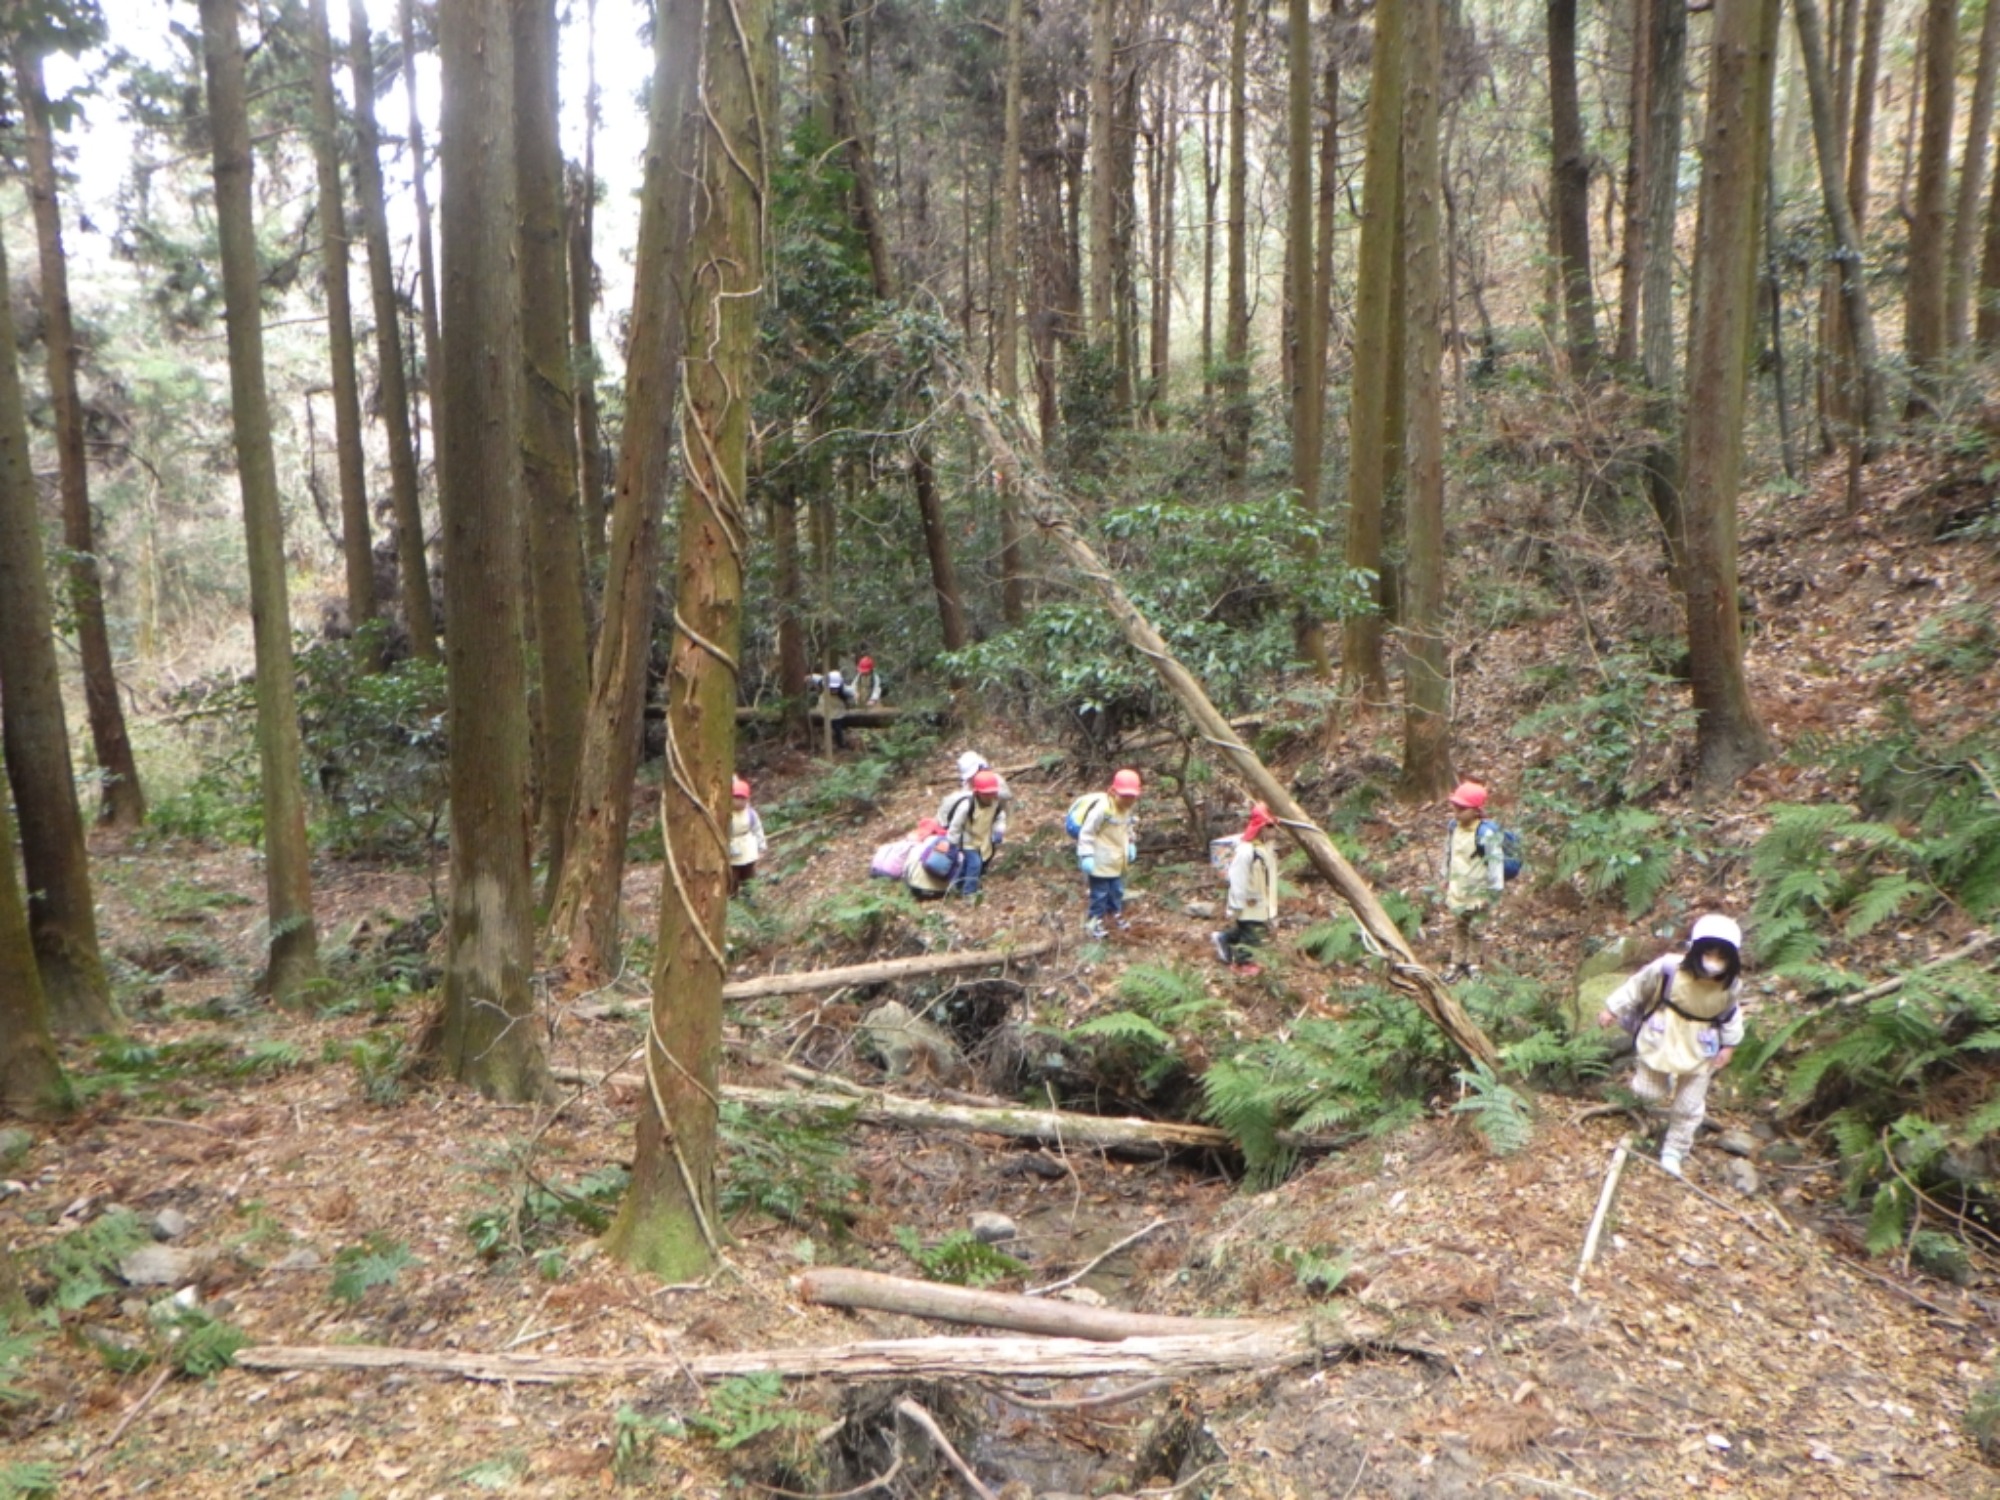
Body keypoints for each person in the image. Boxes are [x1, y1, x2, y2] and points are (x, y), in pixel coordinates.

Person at [1596, 914, 1748, 1177]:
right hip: (1662, 1036)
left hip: (1701, 1046)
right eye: (1709, 953)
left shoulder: (1731, 986)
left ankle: (1674, 1150)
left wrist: (1729, 1047)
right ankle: (1663, 1083)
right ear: (1697, 949)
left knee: (1688, 1105)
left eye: (1721, 957)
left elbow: (1731, 1016)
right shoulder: (1668, 969)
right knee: (1647, 1091)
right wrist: (1613, 1009)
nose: (1714, 961)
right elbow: (1637, 986)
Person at [1440, 780, 1506, 980]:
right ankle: (1456, 960)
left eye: (1462, 809)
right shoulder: (1454, 827)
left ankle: (1473, 963)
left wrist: (1494, 890)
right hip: (1458, 887)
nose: (1457, 812)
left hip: (1479, 890)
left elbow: (1495, 862)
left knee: (1476, 928)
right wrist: (1445, 877)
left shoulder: (1485, 832)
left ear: (1476, 811)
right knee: (1460, 925)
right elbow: (1448, 852)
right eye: (1456, 807)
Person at [1212, 803, 1278, 975]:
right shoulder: (1246, 851)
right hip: (1247, 901)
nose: (1275, 831)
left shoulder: (1264, 849)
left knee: (1247, 929)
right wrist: (1235, 904)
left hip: (1260, 900)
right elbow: (1238, 877)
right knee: (1251, 932)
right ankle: (1243, 962)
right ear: (1262, 828)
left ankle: (1224, 938)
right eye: (1271, 827)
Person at [1077, 768, 1142, 939]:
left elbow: (1127, 828)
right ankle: (1094, 922)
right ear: (1113, 792)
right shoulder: (1102, 810)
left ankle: (1114, 916)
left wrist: (1131, 844)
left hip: (1117, 861)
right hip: (1099, 860)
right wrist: (1086, 855)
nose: (1128, 800)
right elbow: (1087, 832)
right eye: (1125, 796)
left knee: (1117, 891)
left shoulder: (1127, 809)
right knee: (1099, 894)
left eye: (1132, 797)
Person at [942, 769, 1007, 896]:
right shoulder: (967, 806)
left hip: (983, 840)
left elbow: (1000, 819)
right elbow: (955, 826)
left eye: (992, 793)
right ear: (977, 792)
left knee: (967, 864)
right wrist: (952, 844)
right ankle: (969, 892)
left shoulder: (996, 804)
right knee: (975, 864)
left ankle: (955, 886)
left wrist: (999, 831)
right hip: (968, 841)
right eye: (986, 793)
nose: (990, 796)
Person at [727, 776, 767, 895]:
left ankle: (749, 897)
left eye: (742, 798)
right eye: (736, 798)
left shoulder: (751, 814)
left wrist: (761, 846)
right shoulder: (727, 814)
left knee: (749, 876)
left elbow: (757, 829)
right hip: (732, 849)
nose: (739, 801)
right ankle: (732, 899)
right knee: (732, 877)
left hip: (748, 848)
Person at [818, 669, 856, 749]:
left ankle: (840, 743)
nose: (833, 690)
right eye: (831, 688)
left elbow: (852, 694)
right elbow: (815, 678)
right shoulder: (822, 682)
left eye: (835, 688)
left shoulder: (845, 691)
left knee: (838, 728)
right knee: (827, 727)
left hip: (837, 712)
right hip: (825, 709)